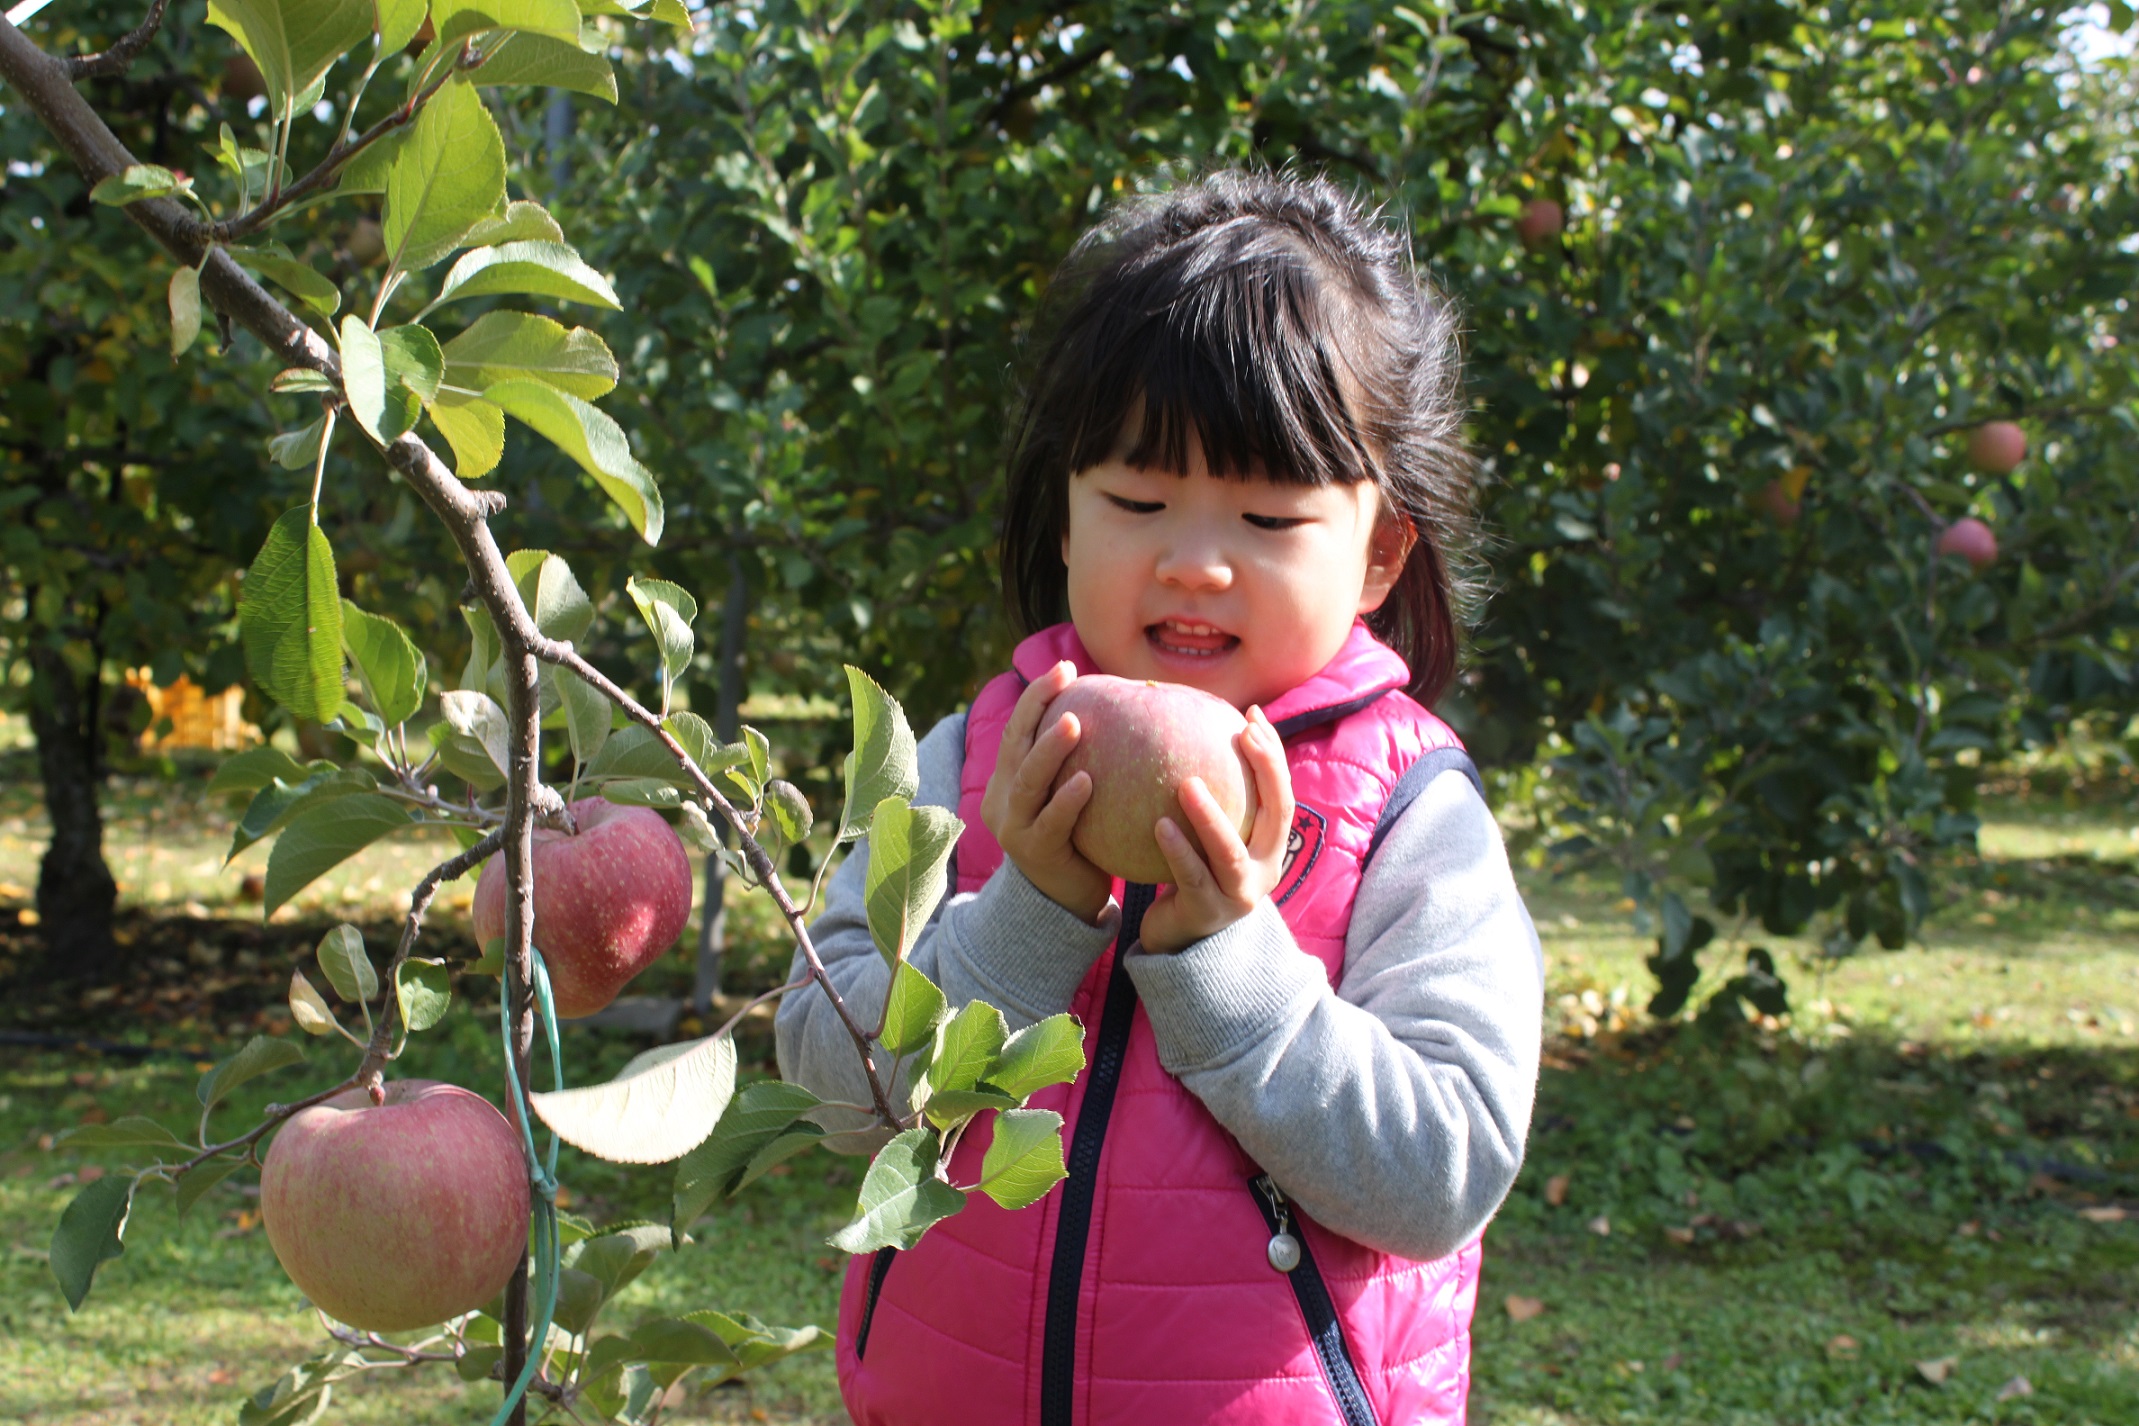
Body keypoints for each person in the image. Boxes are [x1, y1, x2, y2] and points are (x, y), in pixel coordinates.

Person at [775, 169, 1544, 1426]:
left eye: (1268, 514)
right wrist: (1023, 917)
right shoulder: (971, 762)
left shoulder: (1407, 815)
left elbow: (1441, 1167)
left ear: (1381, 555)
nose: (1194, 558)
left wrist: (1235, 977)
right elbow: (824, 1075)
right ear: (1067, 520)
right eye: (1136, 502)